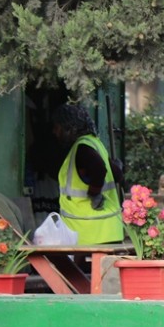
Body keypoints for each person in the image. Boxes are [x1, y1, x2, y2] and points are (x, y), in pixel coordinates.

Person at [50, 104, 124, 245]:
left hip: (88, 233)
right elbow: (117, 175)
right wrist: (117, 166)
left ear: (69, 128)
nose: (55, 132)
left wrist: (94, 193)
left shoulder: (82, 148)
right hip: (109, 230)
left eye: (57, 127)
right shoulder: (95, 144)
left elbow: (99, 169)